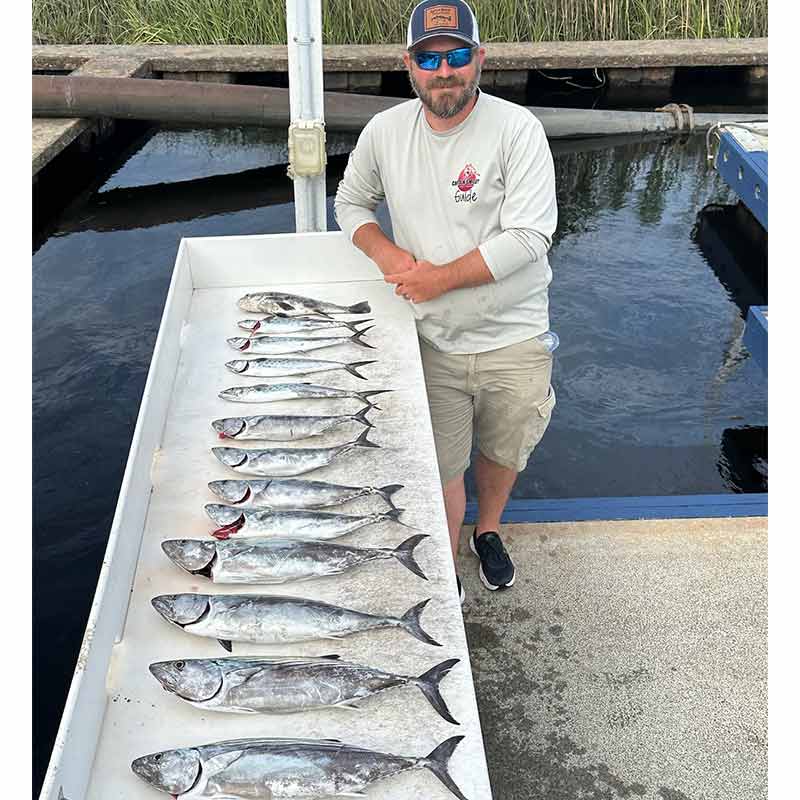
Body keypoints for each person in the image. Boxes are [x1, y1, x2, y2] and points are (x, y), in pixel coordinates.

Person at [333, 0, 558, 602]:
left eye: (457, 55)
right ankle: (449, 556)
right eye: (429, 58)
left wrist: (440, 279)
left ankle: (489, 532)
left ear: (479, 59)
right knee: (443, 464)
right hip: (428, 337)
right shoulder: (384, 131)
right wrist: (385, 255)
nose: (444, 71)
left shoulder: (517, 129)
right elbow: (350, 203)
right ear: (408, 64)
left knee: (505, 447)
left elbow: (531, 235)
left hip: (514, 334)